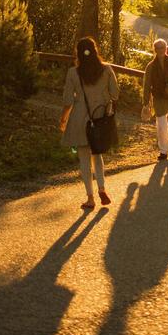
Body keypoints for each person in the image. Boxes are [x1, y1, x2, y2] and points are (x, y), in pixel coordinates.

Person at [59, 37, 119, 210]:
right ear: (95, 51)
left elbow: (68, 100)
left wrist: (63, 119)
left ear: (78, 53)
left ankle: (90, 198)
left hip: (79, 120)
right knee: (97, 155)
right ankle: (102, 188)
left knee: (84, 158)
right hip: (99, 118)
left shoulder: (73, 73)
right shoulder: (107, 70)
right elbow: (115, 94)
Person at [143, 38, 168, 161]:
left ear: (166, 49)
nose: (160, 50)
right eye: (157, 48)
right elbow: (146, 84)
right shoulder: (150, 66)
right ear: (154, 50)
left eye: (162, 48)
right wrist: (146, 102)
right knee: (161, 127)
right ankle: (163, 151)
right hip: (159, 97)